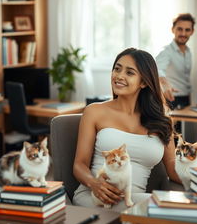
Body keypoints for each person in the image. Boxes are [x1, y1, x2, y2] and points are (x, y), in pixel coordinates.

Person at [72, 48, 181, 212]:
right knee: (165, 208)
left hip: (132, 202)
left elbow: (172, 168)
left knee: (172, 208)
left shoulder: (162, 120)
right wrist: (94, 183)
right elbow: (79, 165)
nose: (119, 76)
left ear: (144, 82)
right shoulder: (94, 111)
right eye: (117, 69)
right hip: (94, 197)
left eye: (129, 72)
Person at [156, 13, 195, 110]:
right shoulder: (166, 51)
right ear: (173, 29)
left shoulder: (188, 51)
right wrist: (164, 83)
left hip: (185, 98)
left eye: (187, 30)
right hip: (171, 99)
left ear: (192, 32)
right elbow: (158, 69)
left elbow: (186, 80)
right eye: (180, 29)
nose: (183, 33)